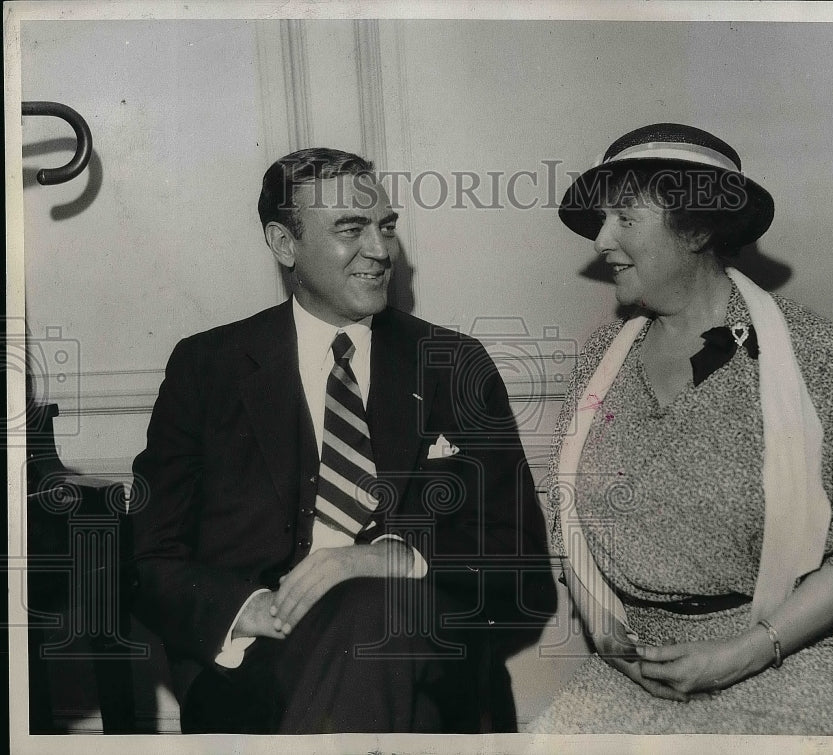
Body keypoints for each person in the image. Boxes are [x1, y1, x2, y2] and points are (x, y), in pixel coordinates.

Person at [129, 148, 555, 734]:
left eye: (386, 226)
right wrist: (242, 609)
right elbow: (150, 556)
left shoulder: (452, 363)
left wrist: (381, 557)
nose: (380, 251)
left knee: (376, 613)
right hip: (255, 672)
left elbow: (516, 553)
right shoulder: (208, 367)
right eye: (350, 230)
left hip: (411, 646)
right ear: (284, 245)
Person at [530, 123, 833, 734]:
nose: (602, 239)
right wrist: (612, 641)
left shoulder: (808, 350)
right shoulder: (601, 362)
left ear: (696, 228)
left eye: (625, 218)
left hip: (791, 654)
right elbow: (567, 519)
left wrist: (741, 652)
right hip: (641, 665)